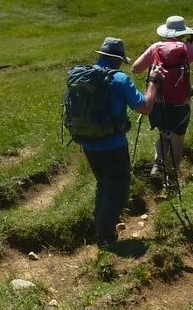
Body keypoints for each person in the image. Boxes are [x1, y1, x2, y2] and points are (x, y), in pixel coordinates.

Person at [67, 38, 161, 248]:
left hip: (88, 143)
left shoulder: (82, 76)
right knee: (119, 190)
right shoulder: (119, 79)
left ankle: (101, 226)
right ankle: (106, 236)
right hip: (113, 146)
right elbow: (144, 107)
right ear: (119, 60)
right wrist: (153, 83)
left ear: (101, 56)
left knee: (103, 184)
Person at [131, 16, 193, 179]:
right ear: (183, 32)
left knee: (163, 136)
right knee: (177, 140)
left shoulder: (155, 48)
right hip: (180, 103)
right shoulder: (187, 48)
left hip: (157, 101)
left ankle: (157, 167)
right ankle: (173, 174)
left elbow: (135, 69)